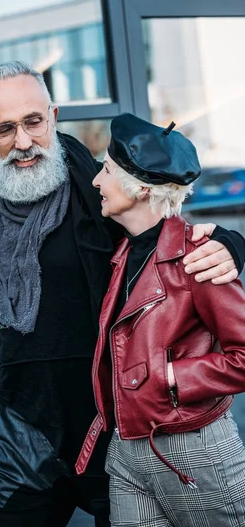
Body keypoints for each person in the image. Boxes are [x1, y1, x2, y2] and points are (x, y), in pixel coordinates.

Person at [0, 61, 244, 527]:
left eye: (33, 121)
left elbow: (166, 225)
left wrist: (231, 243)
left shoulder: (101, 189)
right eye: (5, 129)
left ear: (53, 115)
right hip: (21, 429)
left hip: (108, 424)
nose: (23, 142)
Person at [76, 112, 245, 526]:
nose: (96, 181)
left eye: (108, 170)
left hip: (193, 453)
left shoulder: (196, 257)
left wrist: (174, 376)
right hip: (127, 450)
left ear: (139, 189)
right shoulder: (121, 255)